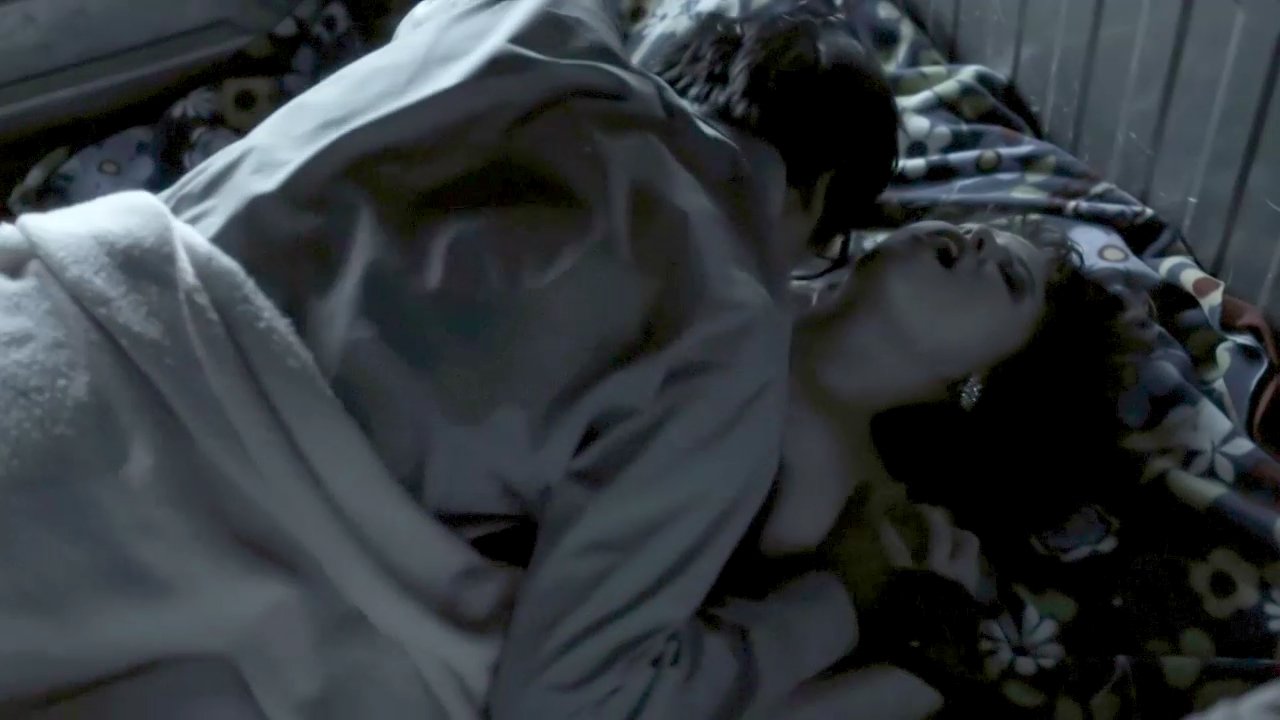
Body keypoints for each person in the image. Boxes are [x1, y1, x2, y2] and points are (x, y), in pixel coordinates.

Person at [153, 0, 912, 718]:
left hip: (102, 284)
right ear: (817, 201)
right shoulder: (728, 333)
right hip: (165, 510)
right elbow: (568, 701)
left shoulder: (519, 18)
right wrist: (836, 604)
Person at [731, 216, 1154, 716]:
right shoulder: (736, 259)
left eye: (1010, 278)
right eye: (971, 226)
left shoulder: (850, 516)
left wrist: (912, 674)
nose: (978, 237)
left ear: (978, 382)